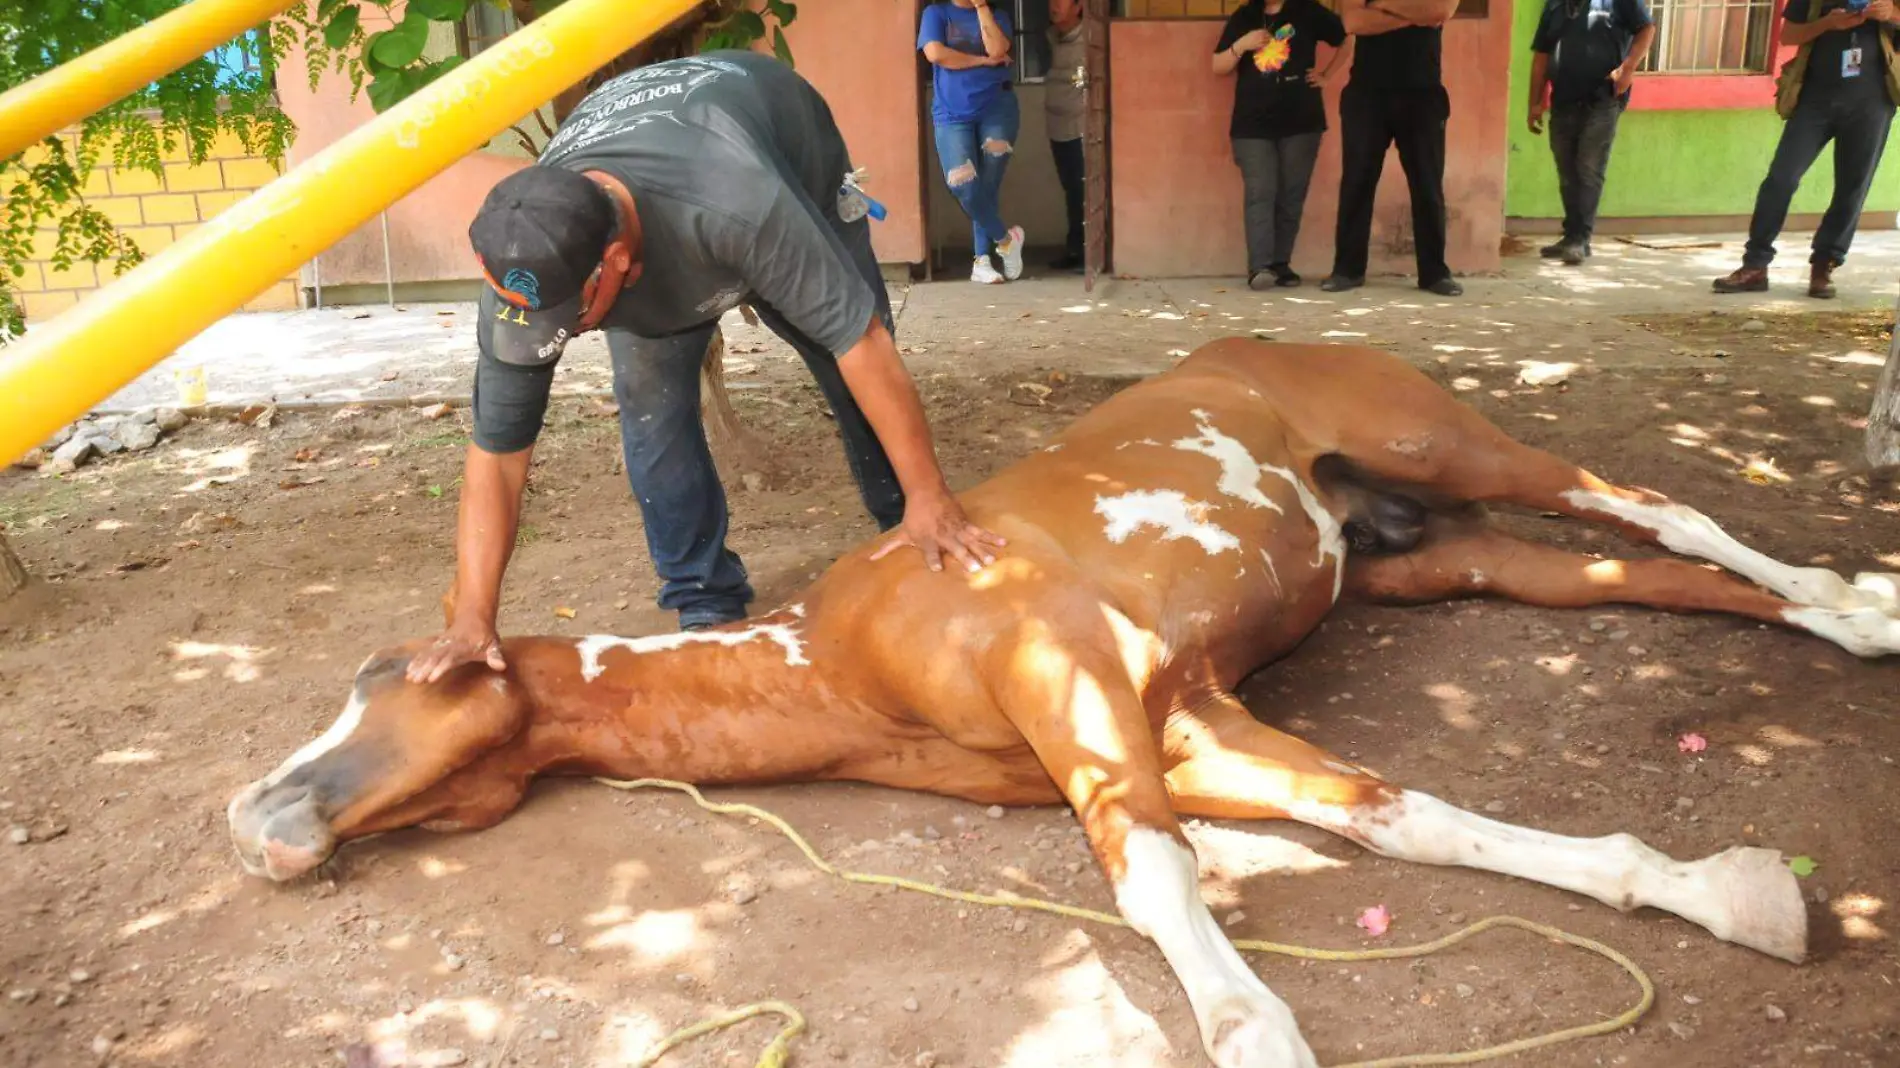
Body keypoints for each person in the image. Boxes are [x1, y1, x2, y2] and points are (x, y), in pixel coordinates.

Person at [406, 51, 1005, 685]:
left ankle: (908, 527)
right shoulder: (530, 252)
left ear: (615, 261)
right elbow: (498, 454)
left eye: (575, 312)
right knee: (651, 404)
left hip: (777, 160)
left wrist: (931, 497)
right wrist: (473, 617)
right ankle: (704, 599)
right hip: (663, 216)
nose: (570, 329)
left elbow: (862, 343)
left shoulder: (739, 202)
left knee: (840, 365)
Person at [1713, 0, 1900, 298]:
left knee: (1852, 187)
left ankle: (1824, 265)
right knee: (1780, 179)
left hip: (1873, 101)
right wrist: (1827, 24)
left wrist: (1892, 14)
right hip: (1815, 99)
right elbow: (1788, 35)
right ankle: (1755, 265)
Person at [1324, 0, 1463, 296]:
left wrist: (1381, 5)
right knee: (1356, 183)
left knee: (1427, 186)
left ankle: (1434, 273)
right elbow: (1353, 22)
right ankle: (1347, 270)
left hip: (1422, 95)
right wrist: (1414, 15)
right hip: (1366, 94)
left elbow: (1440, 11)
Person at [1213, 0, 1353, 289]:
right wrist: (1242, 45)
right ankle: (1260, 266)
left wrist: (1327, 75)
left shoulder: (1309, 11)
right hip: (1252, 124)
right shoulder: (1245, 16)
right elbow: (1218, 65)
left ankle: (1280, 264)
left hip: (1302, 121)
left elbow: (1348, 37)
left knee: (1291, 193)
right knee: (1260, 191)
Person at [1526, 0, 1655, 266]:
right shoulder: (1554, 6)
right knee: (1567, 169)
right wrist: (1535, 102)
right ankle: (1571, 233)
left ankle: (1580, 239)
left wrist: (1627, 68)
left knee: (1588, 166)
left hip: (1603, 98)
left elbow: (1646, 28)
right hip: (1563, 99)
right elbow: (1541, 55)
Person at [919, 0, 1030, 284]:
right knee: (963, 184)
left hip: (998, 108)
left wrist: (981, 6)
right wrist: (982, 62)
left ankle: (982, 261)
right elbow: (936, 54)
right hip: (951, 112)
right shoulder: (936, 13)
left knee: (988, 185)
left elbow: (997, 49)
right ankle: (1006, 240)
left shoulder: (998, 16)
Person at [1047, 0, 1087, 273]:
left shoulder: (1090, 39)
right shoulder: (1052, 37)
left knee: (1084, 191)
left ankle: (1087, 251)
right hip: (1057, 126)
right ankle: (1075, 248)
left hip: (1082, 127)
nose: (1053, 5)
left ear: (1079, 6)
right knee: (1071, 190)